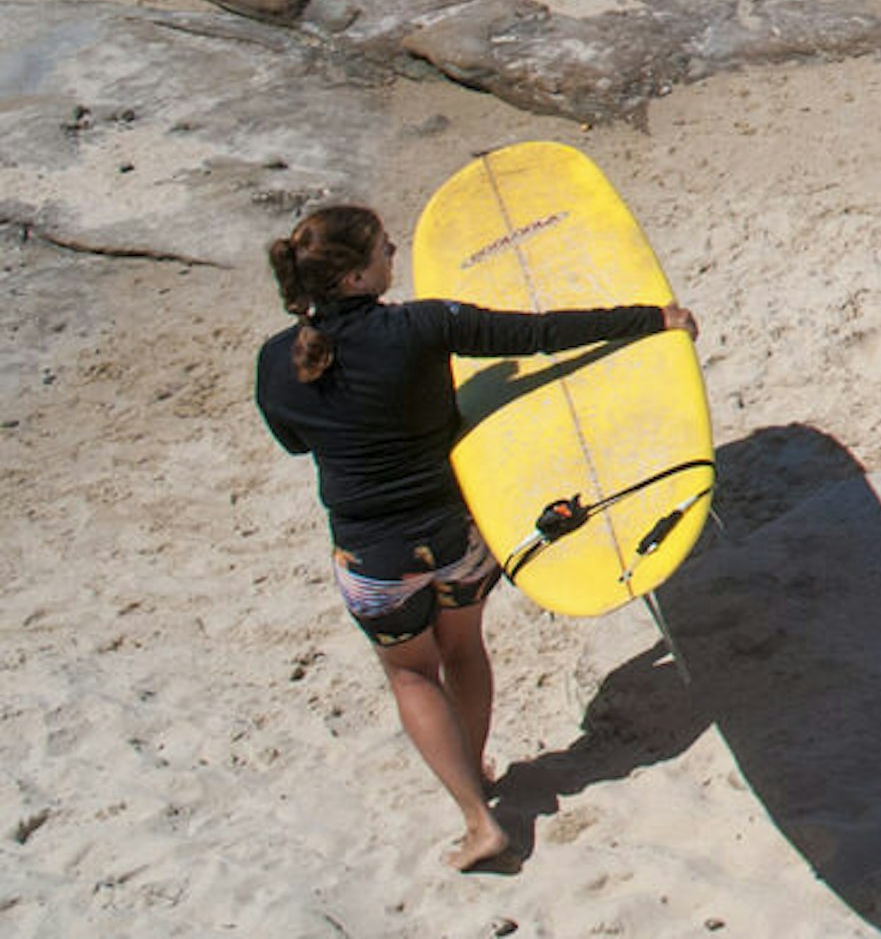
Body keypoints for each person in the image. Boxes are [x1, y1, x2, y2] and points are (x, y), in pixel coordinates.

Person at [255, 204, 693, 873]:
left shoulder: (274, 363)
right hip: (455, 536)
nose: (394, 249)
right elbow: (542, 332)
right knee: (463, 648)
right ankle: (478, 770)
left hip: (374, 558)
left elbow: (294, 442)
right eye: (381, 248)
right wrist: (653, 318)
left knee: (409, 673)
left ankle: (477, 817)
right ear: (351, 277)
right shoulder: (422, 325)